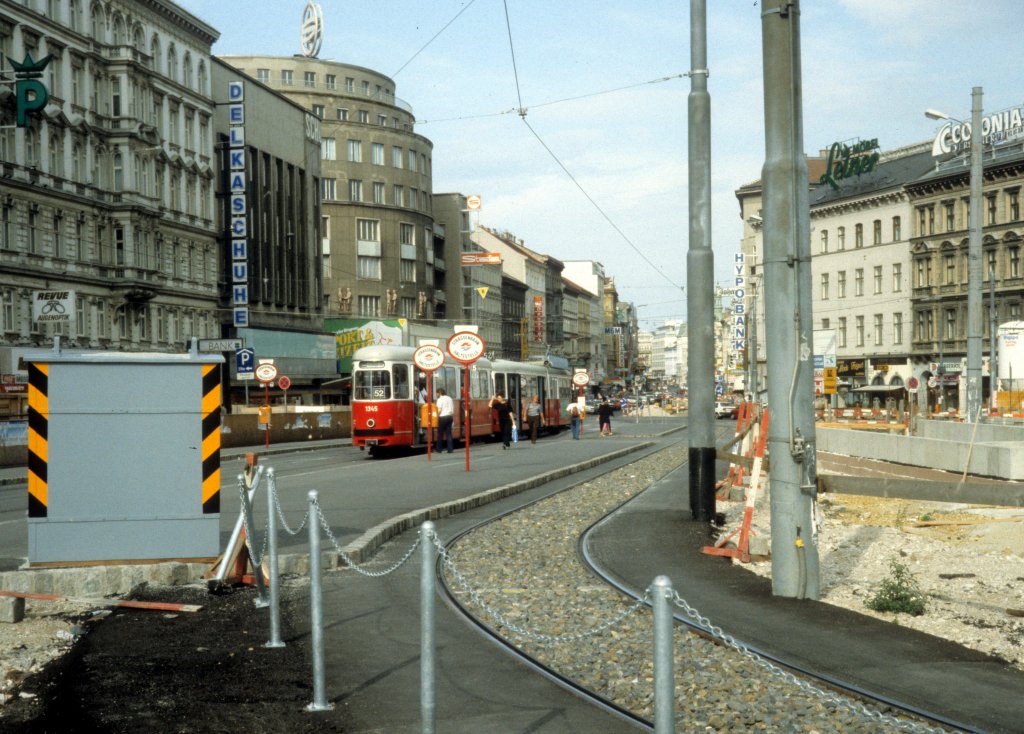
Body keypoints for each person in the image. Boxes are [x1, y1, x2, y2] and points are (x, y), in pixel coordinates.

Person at [435, 388, 454, 453]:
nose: (436, 394)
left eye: (437, 393)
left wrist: (436, 416)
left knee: (440, 434)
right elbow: (452, 408)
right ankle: (450, 449)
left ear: (439, 393)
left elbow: (439, 409)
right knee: (449, 434)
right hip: (450, 417)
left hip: (442, 417)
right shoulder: (450, 398)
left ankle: (439, 449)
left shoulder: (440, 399)